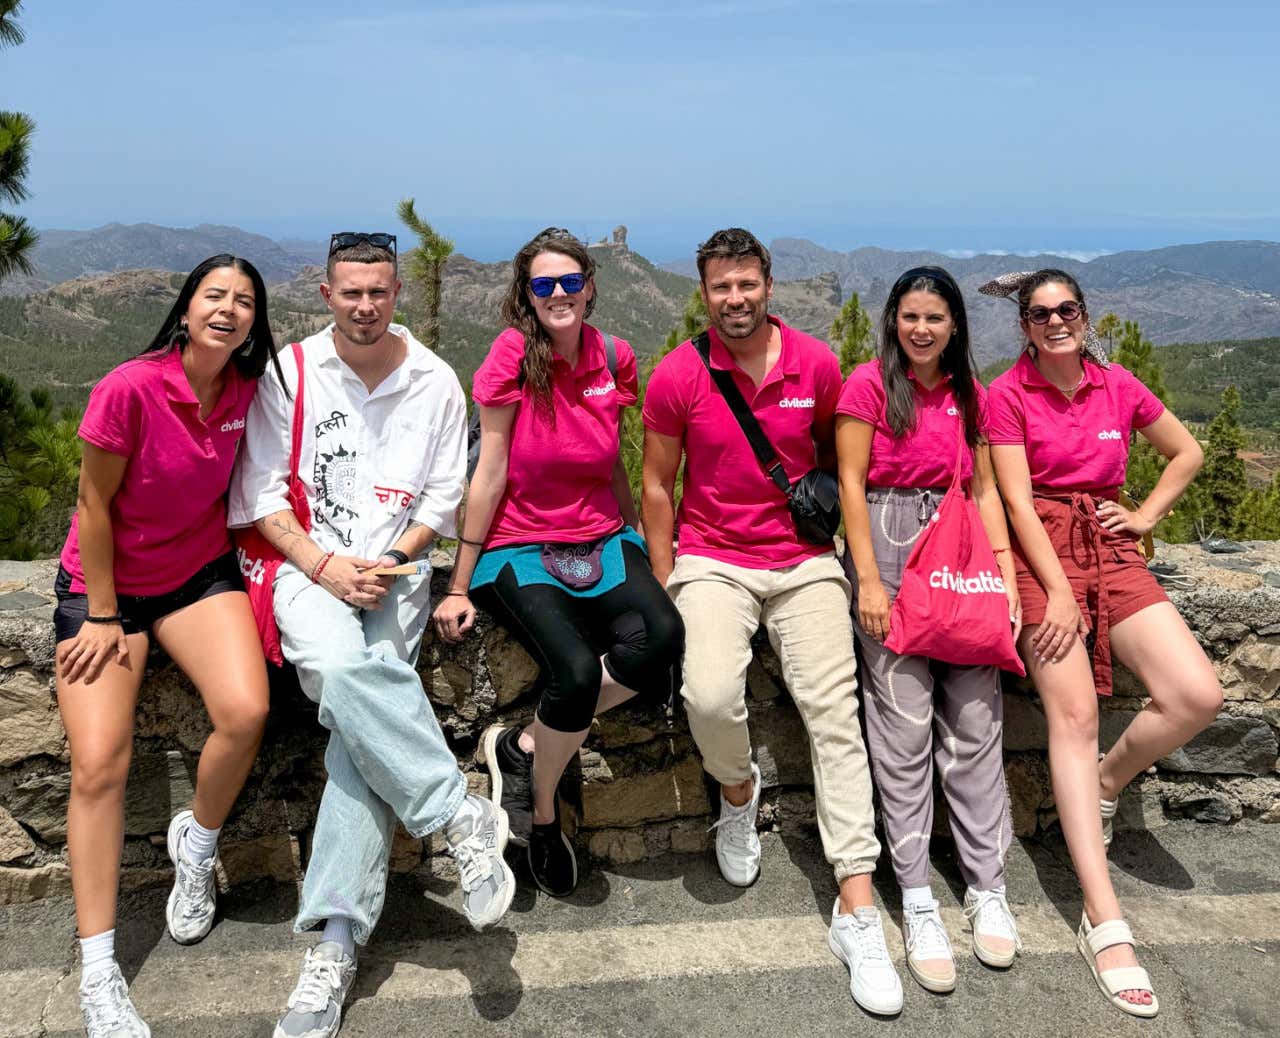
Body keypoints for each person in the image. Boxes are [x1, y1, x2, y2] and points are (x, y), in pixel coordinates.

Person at [229, 232, 514, 1038]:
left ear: (395, 292)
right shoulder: (291, 373)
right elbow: (258, 493)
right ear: (326, 294)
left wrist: (385, 563)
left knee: (358, 733)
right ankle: (458, 814)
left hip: (395, 573)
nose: (364, 305)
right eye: (349, 292)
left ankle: (336, 937)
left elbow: (440, 501)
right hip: (307, 571)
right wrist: (323, 566)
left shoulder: (434, 383)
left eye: (378, 291)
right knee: (347, 673)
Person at [642, 227, 903, 1016]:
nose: (735, 299)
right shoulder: (680, 374)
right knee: (711, 695)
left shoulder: (816, 365)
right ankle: (735, 793)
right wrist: (664, 582)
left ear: (768, 284)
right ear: (704, 292)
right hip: (713, 559)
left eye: (746, 284)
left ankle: (857, 905)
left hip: (803, 561)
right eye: (721, 287)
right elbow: (657, 485)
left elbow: (833, 465)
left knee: (835, 713)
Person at [984, 268, 1222, 1019]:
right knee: (1075, 716)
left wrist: (1145, 515)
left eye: (1068, 309)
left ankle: (1107, 786)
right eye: (1040, 313)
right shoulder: (1007, 395)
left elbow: (1186, 453)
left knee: (1196, 694)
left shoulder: (1116, 384)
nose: (1056, 321)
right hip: (1038, 554)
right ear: (1024, 325)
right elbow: (1017, 502)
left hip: (1111, 548)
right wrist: (1054, 592)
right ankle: (1103, 916)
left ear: (1084, 317)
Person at [53, 254, 280, 1038]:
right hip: (105, 590)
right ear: (185, 310)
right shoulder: (131, 386)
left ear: (256, 320)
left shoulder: (249, 391)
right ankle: (98, 970)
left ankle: (198, 841)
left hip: (194, 575)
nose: (228, 309)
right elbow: (93, 501)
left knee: (247, 711)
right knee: (99, 763)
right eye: (213, 296)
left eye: (243, 300)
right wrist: (107, 614)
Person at [433, 227, 684, 898]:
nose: (558, 294)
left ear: (590, 286)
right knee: (573, 672)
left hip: (601, 539)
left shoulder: (616, 357)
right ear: (527, 296)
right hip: (520, 545)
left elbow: (615, 465)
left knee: (661, 637)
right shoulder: (511, 357)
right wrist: (458, 583)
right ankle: (543, 815)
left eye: (570, 281)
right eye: (543, 285)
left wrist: (638, 542)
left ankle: (519, 746)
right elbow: (487, 474)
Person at [836, 266, 1022, 995]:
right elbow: (851, 480)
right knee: (902, 727)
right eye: (909, 317)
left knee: (976, 722)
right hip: (886, 546)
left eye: (934, 319)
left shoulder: (968, 394)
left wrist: (1004, 574)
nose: (920, 329)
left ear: (954, 327)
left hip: (961, 554)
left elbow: (983, 487)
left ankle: (985, 885)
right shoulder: (868, 387)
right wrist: (870, 581)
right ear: (893, 320)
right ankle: (916, 896)